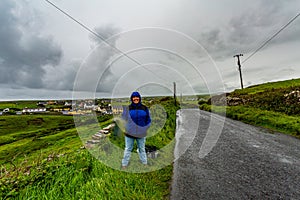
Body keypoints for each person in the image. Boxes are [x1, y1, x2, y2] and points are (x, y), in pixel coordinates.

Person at [121, 91, 151, 169]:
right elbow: (123, 119)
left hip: (141, 133)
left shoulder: (144, 108)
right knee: (128, 149)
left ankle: (144, 163)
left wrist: (145, 128)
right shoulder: (127, 108)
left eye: (137, 97)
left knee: (142, 149)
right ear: (132, 99)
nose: (135, 99)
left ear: (139, 98)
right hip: (129, 133)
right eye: (134, 97)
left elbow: (148, 120)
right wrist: (125, 128)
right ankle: (124, 164)